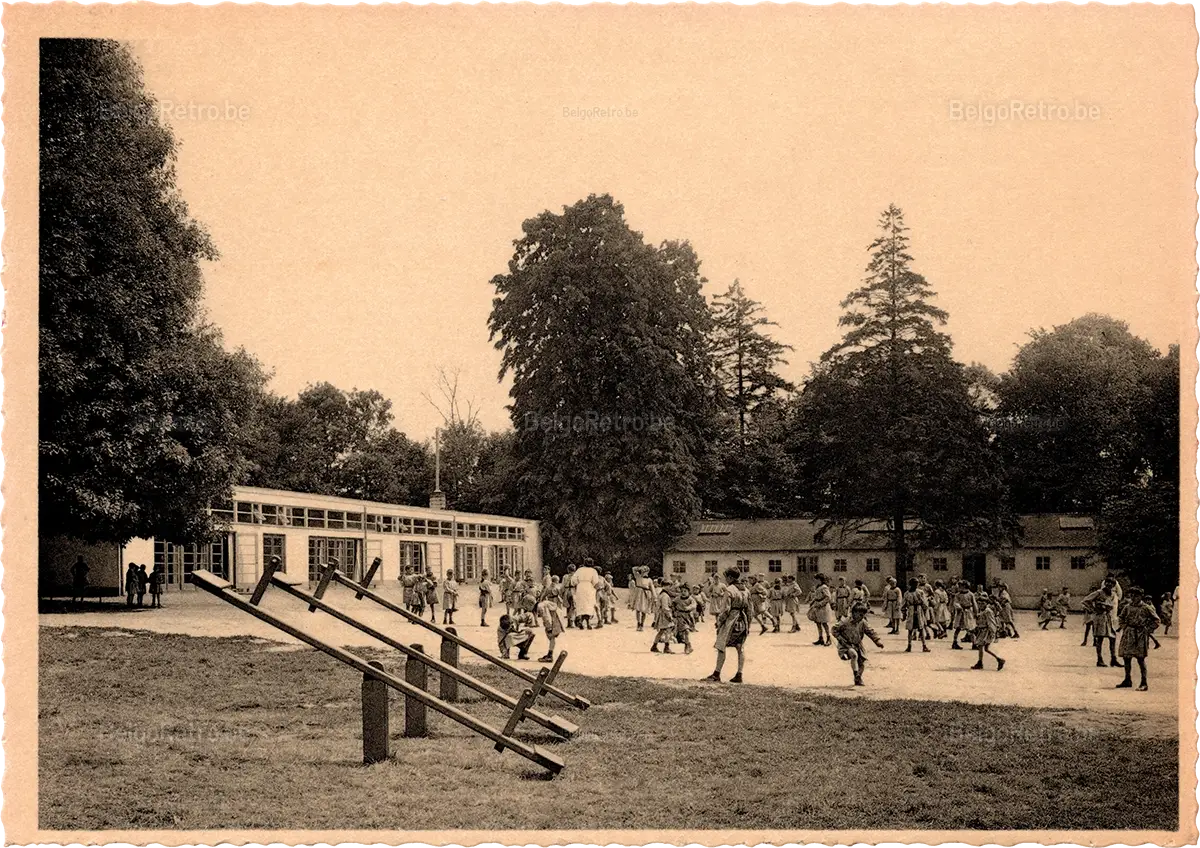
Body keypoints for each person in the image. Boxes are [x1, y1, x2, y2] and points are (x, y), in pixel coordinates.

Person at [706, 567, 751, 683]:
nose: (725, 580)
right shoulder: (746, 590)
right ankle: (739, 674)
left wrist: (719, 622)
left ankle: (716, 673)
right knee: (740, 648)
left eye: (726, 577)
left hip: (731, 620)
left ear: (730, 577)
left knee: (721, 646)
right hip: (743, 620)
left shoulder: (729, 589)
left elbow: (725, 609)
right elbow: (749, 609)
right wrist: (748, 624)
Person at [1116, 586, 1159, 690]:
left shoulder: (1146, 608)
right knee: (1126, 657)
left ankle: (1144, 683)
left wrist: (1147, 629)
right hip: (1129, 633)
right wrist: (1124, 626)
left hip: (1140, 635)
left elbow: (1156, 620)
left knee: (1140, 658)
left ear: (1141, 596)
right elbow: (1121, 617)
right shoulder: (1127, 607)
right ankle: (1127, 679)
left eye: (1136, 595)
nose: (1134, 597)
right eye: (1132, 595)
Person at [833, 601, 885, 686]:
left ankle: (858, 677)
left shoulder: (863, 622)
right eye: (860, 615)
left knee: (862, 663)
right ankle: (855, 674)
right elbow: (834, 630)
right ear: (854, 613)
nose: (862, 617)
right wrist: (840, 639)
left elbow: (870, 631)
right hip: (846, 645)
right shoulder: (845, 621)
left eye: (863, 615)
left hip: (858, 644)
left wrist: (877, 641)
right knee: (854, 655)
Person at [1083, 584, 1118, 668]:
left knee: (1113, 637)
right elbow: (1085, 600)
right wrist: (1093, 609)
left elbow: (1113, 605)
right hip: (1100, 617)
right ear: (1105, 583)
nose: (1110, 585)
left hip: (1109, 617)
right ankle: (1099, 659)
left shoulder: (1113, 594)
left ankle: (1113, 659)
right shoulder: (1099, 592)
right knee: (1100, 638)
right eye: (1108, 582)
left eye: (1112, 583)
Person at [970, 595, 1005, 671]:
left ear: (986, 603)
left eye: (982, 603)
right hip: (982, 631)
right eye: (979, 603)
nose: (980, 605)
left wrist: (993, 632)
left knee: (982, 647)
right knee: (985, 648)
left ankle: (981, 662)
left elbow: (991, 622)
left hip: (986, 632)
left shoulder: (988, 611)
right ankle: (998, 660)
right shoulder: (982, 611)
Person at [571, 557, 604, 630]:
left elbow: (573, 580)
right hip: (589, 587)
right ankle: (588, 622)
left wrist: (577, 584)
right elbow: (595, 581)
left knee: (582, 605)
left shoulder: (579, 570)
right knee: (589, 605)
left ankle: (581, 621)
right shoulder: (593, 571)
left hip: (580, 587)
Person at [535, 590, 565, 663]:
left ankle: (550, 655)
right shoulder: (545, 603)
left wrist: (549, 627)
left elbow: (546, 616)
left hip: (554, 620)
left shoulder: (540, 606)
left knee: (551, 636)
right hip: (557, 618)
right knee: (552, 637)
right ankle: (550, 653)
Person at [902, 578, 930, 653]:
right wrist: (904, 613)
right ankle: (909, 645)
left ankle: (924, 646)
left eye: (917, 584)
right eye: (915, 584)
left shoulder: (920, 592)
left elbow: (924, 604)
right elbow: (903, 604)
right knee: (910, 630)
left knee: (921, 629)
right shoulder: (907, 594)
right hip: (911, 611)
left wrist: (924, 611)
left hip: (918, 610)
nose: (916, 585)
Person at [650, 579, 676, 653]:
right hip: (664, 615)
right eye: (668, 586)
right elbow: (665, 607)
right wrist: (670, 616)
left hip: (661, 615)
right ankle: (666, 647)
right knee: (668, 630)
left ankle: (654, 646)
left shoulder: (661, 594)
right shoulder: (665, 596)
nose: (669, 587)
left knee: (661, 631)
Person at [807, 573, 833, 646]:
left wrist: (820, 603)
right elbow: (816, 596)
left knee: (824, 623)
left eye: (817, 579)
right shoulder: (818, 587)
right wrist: (812, 602)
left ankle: (828, 639)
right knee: (818, 623)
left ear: (820, 580)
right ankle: (820, 638)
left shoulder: (824, 587)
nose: (815, 581)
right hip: (817, 607)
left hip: (823, 608)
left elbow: (828, 597)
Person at [950, 581, 977, 650]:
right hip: (960, 613)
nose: (959, 588)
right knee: (958, 628)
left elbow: (974, 604)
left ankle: (974, 643)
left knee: (971, 629)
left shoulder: (971, 594)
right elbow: (955, 602)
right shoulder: (958, 595)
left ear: (965, 586)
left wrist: (976, 612)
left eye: (960, 586)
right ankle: (954, 642)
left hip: (968, 613)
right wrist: (958, 607)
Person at [673, 583, 697, 654]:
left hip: (688, 617)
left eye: (685, 591)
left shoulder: (690, 599)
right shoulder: (678, 598)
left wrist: (688, 608)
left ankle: (689, 645)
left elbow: (694, 605)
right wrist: (674, 610)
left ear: (688, 592)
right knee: (686, 631)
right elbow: (673, 603)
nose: (683, 593)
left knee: (687, 631)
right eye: (682, 591)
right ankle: (686, 646)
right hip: (681, 617)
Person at [631, 565, 655, 631]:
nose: (644, 573)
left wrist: (654, 597)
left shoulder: (649, 580)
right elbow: (633, 569)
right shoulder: (638, 577)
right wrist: (639, 568)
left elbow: (652, 588)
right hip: (639, 594)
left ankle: (642, 624)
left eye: (646, 571)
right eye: (643, 571)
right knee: (638, 609)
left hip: (646, 595)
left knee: (644, 610)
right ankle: (638, 623)